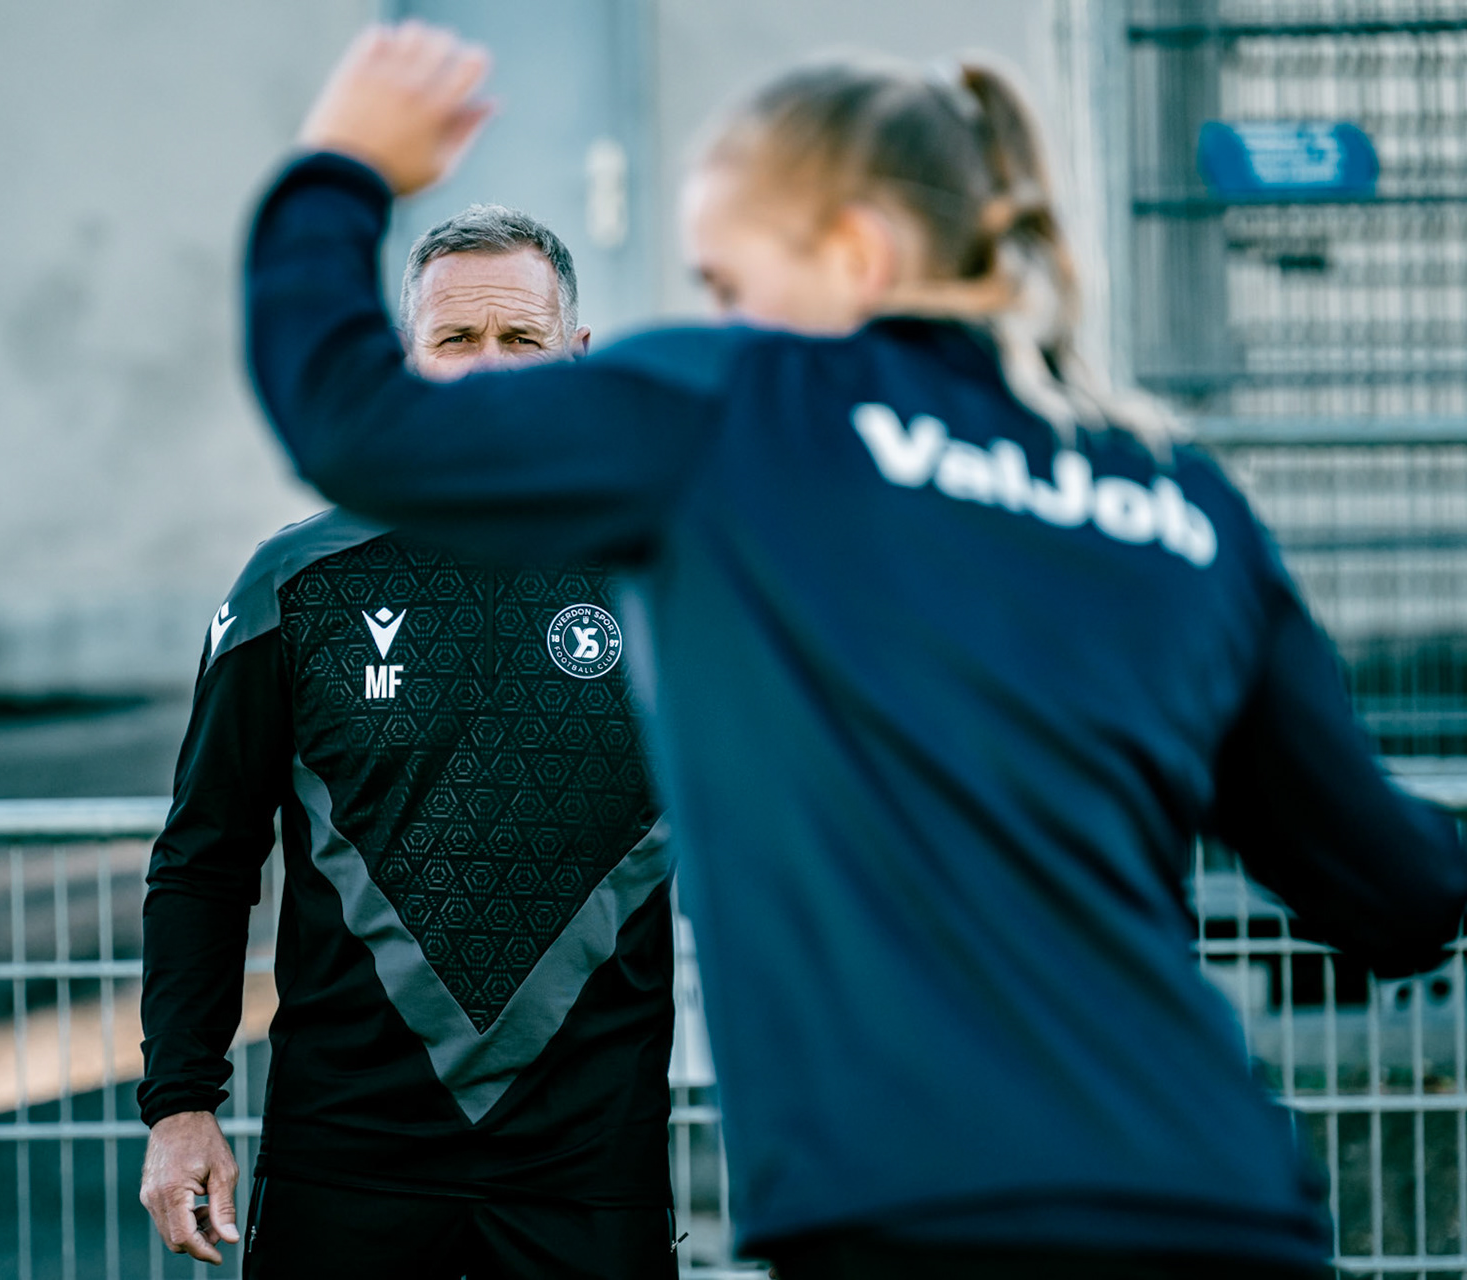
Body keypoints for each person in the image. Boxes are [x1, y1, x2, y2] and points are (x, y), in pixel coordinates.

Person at [239, 22, 1467, 1280]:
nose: (719, 317)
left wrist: (342, 164)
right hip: (1224, 1209)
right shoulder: (1175, 496)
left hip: (923, 1217)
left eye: (728, 282)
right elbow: (1399, 886)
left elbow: (350, 415)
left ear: (857, 252)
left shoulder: (747, 414)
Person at [138, 204, 680, 1279]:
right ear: (408, 359)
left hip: (589, 1159)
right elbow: (205, 856)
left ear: (576, 356)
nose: (488, 369)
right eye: (457, 340)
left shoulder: (668, 575)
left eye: (521, 341)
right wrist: (181, 1100)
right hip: (349, 1155)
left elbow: (781, 848)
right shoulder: (290, 584)